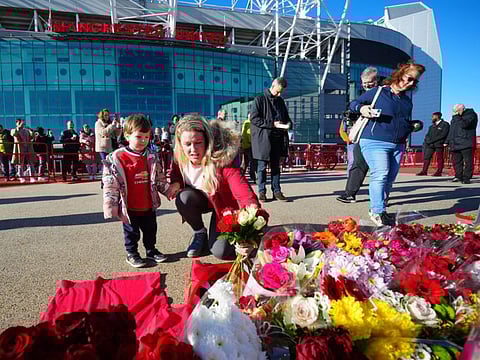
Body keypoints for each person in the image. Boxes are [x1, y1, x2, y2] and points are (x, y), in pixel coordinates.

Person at [167, 114, 263, 259]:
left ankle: (262, 237)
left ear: (207, 141)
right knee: (183, 198)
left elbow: (244, 194)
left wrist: (252, 222)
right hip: (202, 200)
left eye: (198, 142)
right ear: (180, 144)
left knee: (221, 252)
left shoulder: (221, 160)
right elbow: (176, 174)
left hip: (224, 207)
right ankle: (200, 233)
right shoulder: (180, 158)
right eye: (187, 144)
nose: (193, 149)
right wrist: (176, 182)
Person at [349, 61, 425, 226]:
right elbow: (354, 104)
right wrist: (362, 109)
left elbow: (402, 121)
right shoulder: (378, 92)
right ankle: (377, 211)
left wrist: (411, 126)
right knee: (381, 173)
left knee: (389, 178)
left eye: (414, 81)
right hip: (374, 140)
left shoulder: (406, 101)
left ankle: (380, 208)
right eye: (409, 78)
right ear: (400, 74)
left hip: (398, 144)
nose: (410, 83)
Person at [103, 114, 171, 268]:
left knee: (150, 230)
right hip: (130, 206)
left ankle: (151, 250)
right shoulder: (117, 157)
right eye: (139, 136)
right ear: (127, 135)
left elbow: (159, 178)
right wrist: (110, 206)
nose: (143, 141)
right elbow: (110, 184)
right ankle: (132, 253)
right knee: (131, 233)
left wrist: (168, 191)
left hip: (148, 204)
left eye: (146, 137)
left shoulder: (152, 156)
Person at [337, 67, 378, 203]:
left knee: (380, 169)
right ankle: (350, 193)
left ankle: (380, 199)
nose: (366, 85)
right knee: (357, 164)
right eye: (364, 82)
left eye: (369, 82)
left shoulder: (384, 93)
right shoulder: (363, 96)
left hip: (380, 136)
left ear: (376, 80)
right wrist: (358, 109)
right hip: (363, 135)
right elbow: (353, 104)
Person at [250, 77, 292, 202]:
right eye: (277, 91)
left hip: (277, 139)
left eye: (281, 92)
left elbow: (286, 117)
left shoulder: (280, 101)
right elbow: (254, 119)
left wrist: (288, 123)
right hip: (263, 139)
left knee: (276, 166)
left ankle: (277, 191)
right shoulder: (259, 99)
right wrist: (273, 124)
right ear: (273, 86)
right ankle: (261, 192)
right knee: (262, 167)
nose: (279, 94)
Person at [446, 104, 478, 184]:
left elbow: (465, 124)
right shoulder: (455, 118)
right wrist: (448, 141)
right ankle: (458, 176)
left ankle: (466, 177)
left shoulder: (471, 114)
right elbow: (452, 130)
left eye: (456, 111)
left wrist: (458, 116)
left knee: (468, 161)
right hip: (455, 143)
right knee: (457, 161)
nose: (455, 113)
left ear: (461, 109)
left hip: (466, 142)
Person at [416, 112, 450, 176]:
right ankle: (424, 171)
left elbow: (443, 135)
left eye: (433, 116)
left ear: (437, 116)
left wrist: (445, 142)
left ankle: (439, 172)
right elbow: (428, 135)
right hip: (430, 145)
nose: (432, 118)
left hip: (439, 144)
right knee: (427, 157)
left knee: (439, 158)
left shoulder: (445, 124)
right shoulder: (431, 126)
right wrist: (427, 141)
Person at [95, 108, 122, 187]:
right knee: (106, 164)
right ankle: (103, 181)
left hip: (112, 146)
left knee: (112, 164)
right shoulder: (98, 123)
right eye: (105, 115)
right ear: (102, 115)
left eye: (108, 115)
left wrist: (118, 126)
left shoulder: (110, 123)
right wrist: (112, 125)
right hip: (103, 147)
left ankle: (110, 180)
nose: (107, 116)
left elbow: (117, 134)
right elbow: (104, 132)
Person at [11, 119, 36, 183]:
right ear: (16, 123)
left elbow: (32, 137)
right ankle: (21, 177)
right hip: (19, 149)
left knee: (31, 163)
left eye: (22, 122)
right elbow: (14, 134)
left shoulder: (26, 131)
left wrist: (31, 131)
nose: (21, 124)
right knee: (20, 164)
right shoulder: (13, 130)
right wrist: (19, 127)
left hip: (28, 148)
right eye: (19, 122)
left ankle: (32, 177)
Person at [240, 113, 256, 183]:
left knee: (245, 163)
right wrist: (252, 143)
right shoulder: (249, 123)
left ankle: (241, 176)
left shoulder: (245, 123)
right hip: (249, 146)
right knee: (252, 162)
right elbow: (249, 135)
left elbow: (243, 133)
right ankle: (254, 177)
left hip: (244, 145)